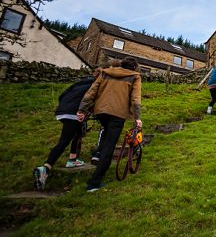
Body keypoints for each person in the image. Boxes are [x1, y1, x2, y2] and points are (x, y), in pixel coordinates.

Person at [77, 57, 142, 192]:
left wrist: (82, 109)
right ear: (134, 67)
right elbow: (135, 98)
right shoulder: (134, 77)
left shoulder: (106, 72)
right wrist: (137, 117)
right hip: (118, 114)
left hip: (101, 112)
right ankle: (94, 183)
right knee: (109, 146)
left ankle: (97, 154)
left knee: (106, 132)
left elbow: (92, 91)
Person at [32, 69, 100, 191]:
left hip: (62, 110)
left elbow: (62, 95)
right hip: (75, 113)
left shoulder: (80, 83)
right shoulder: (96, 85)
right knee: (64, 141)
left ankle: (72, 159)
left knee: (78, 133)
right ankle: (45, 168)